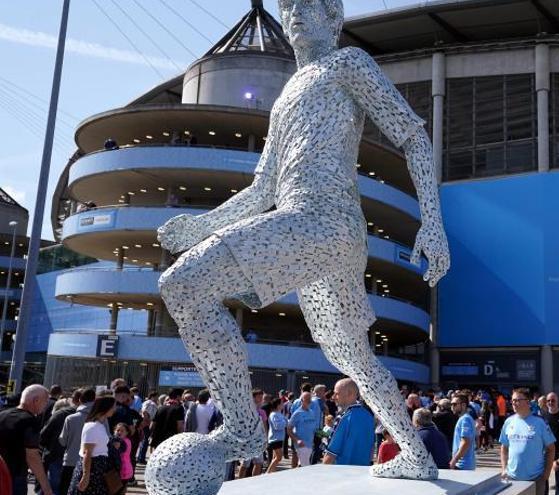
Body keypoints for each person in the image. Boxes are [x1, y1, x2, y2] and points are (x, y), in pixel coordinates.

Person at [155, 0, 449, 483]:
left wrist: (432, 223)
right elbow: (263, 190)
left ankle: (242, 430)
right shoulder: (289, 91)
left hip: (321, 222)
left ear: (334, 19)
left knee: (184, 284)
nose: (295, 12)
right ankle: (415, 455)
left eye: (310, 5)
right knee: (350, 354)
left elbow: (413, 137)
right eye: (288, 5)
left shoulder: (347, 63)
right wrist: (201, 226)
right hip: (321, 235)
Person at [499, 388, 555, 495]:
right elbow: (504, 447)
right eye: (512, 400)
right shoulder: (508, 421)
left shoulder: (540, 422)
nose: (514, 403)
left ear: (528, 402)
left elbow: (551, 449)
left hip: (536, 479)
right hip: (512, 479)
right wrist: (504, 468)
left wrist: (546, 475)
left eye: (517, 400)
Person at [0, 384, 53, 495]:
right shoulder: (30, 421)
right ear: (36, 400)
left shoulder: (2, 415)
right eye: (45, 402)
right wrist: (46, 488)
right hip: (15, 477)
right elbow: (32, 456)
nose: (45, 406)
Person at [69, 396, 117, 495]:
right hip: (92, 468)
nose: (114, 409)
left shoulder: (100, 425)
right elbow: (87, 452)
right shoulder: (92, 426)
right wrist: (86, 475)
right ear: (106, 408)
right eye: (113, 407)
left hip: (97, 468)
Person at [323, 378, 374, 466]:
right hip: (362, 472)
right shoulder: (368, 416)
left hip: (342, 473)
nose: (333, 397)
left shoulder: (345, 417)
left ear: (350, 394)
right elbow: (371, 450)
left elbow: (330, 455)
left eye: (337, 393)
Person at [40, 394, 80, 495]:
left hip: (55, 454)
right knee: (67, 486)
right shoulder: (84, 415)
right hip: (74, 456)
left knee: (53, 486)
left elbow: (43, 435)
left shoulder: (58, 415)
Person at [59, 388, 96, 495]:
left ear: (80, 400)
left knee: (66, 490)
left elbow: (62, 441)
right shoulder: (101, 419)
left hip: (71, 459)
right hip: (93, 462)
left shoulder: (70, 418)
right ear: (94, 400)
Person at [289, 392, 319, 468]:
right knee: (306, 466)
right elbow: (289, 429)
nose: (310, 401)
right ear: (302, 400)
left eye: (310, 399)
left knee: (303, 465)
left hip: (310, 444)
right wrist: (297, 440)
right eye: (307, 399)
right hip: (301, 445)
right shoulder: (297, 413)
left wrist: (324, 434)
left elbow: (314, 429)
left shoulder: (311, 412)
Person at [450, 393, 478, 470]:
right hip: (464, 464)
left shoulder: (465, 419)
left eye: (454, 404)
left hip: (462, 465)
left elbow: (465, 442)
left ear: (463, 405)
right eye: (451, 404)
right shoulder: (464, 418)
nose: (452, 407)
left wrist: (454, 460)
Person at [136, 392, 158, 465]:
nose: (157, 398)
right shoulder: (149, 402)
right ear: (152, 397)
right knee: (145, 441)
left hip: (146, 423)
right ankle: (141, 458)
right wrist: (146, 421)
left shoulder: (150, 403)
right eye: (156, 397)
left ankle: (141, 458)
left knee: (144, 441)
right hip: (145, 423)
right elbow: (144, 411)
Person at [266, 399, 286, 473]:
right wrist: (285, 421)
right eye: (281, 403)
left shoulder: (279, 414)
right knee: (279, 457)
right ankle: (268, 472)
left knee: (275, 457)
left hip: (278, 438)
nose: (283, 404)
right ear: (278, 405)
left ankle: (272, 472)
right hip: (275, 439)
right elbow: (277, 426)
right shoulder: (274, 414)